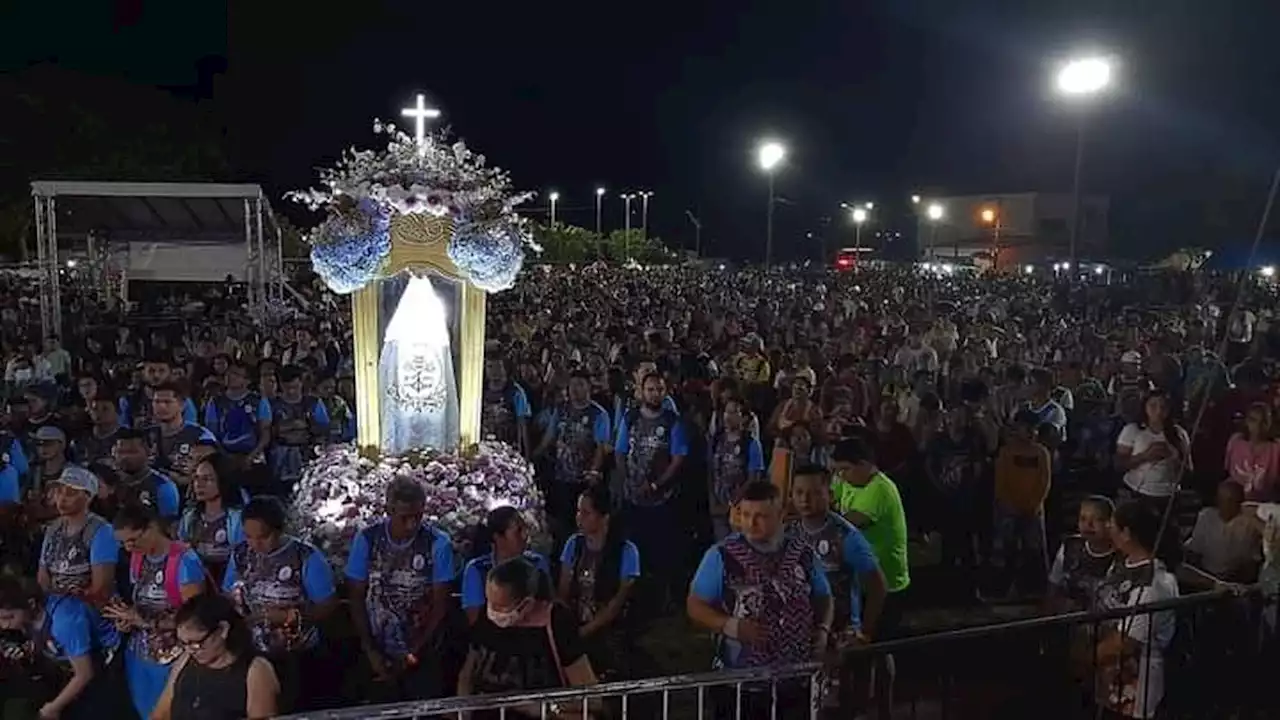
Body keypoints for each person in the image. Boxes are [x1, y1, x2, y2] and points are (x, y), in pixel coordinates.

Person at [687, 480, 832, 719]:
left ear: (781, 514)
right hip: (740, 682)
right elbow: (694, 606)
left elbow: (823, 596)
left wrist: (823, 629)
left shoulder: (802, 553)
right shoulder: (721, 556)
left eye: (761, 516)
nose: (750, 524)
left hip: (796, 679)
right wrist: (731, 626)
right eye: (745, 515)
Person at [222, 496, 337, 713]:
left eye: (263, 537)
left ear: (280, 530)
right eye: (248, 537)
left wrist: (286, 617)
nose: (255, 544)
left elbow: (328, 605)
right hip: (252, 653)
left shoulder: (305, 557)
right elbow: (228, 592)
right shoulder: (240, 554)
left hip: (298, 657)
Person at [345, 478, 456, 702]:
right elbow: (355, 597)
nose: (411, 525)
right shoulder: (367, 539)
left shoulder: (438, 543)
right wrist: (369, 649)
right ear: (389, 510)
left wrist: (413, 652)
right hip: (376, 646)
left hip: (423, 648)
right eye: (404, 517)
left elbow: (440, 604)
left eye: (417, 517)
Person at [457, 557, 599, 720]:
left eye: (501, 607)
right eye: (490, 602)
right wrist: (464, 710)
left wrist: (543, 708)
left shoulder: (557, 621)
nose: (493, 611)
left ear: (527, 604)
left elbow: (592, 698)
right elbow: (467, 673)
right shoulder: (487, 617)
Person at [830, 437, 909, 719]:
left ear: (864, 465)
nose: (840, 477)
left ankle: (883, 710)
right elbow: (832, 495)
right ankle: (860, 707)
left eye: (845, 470)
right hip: (859, 584)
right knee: (858, 651)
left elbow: (844, 524)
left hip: (887, 584)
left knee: (877, 649)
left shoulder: (880, 489)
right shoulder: (850, 480)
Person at [106, 503, 208, 719]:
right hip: (141, 656)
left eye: (133, 539)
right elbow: (141, 601)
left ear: (152, 527)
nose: (128, 547)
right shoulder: (138, 557)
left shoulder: (184, 562)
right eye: (123, 543)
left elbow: (197, 619)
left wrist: (145, 621)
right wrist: (126, 618)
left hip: (173, 658)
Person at [1091, 502, 1179, 720]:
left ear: (1126, 533)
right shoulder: (1121, 564)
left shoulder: (1154, 585)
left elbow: (1127, 642)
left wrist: (1085, 658)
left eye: (1112, 523)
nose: (1108, 527)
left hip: (1137, 683)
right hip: (1106, 678)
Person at [0, 576, 125, 720]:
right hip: (69, 662)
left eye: (8, 618)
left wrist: (54, 707)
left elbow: (85, 674)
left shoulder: (64, 621)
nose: (4, 625)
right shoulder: (27, 617)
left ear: (32, 604)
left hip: (104, 662)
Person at [556, 485, 641, 681]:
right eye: (578, 511)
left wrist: (586, 631)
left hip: (611, 630)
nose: (579, 517)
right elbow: (563, 591)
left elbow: (617, 603)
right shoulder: (573, 545)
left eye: (586, 513)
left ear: (604, 518)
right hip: (575, 624)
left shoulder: (626, 551)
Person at [150, 593, 280, 720]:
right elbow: (161, 714)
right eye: (184, 643)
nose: (191, 651)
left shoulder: (255, 670)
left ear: (223, 630)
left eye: (197, 643)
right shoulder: (186, 660)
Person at [37, 466, 118, 605]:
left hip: (85, 606)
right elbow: (43, 576)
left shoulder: (102, 531)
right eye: (59, 491)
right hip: (54, 602)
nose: (62, 498)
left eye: (71, 493)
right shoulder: (53, 528)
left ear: (88, 497)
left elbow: (101, 588)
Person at [460, 506, 552, 625]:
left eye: (525, 529)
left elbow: (547, 608)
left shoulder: (537, 563)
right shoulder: (477, 570)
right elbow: (475, 620)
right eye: (518, 531)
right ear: (498, 537)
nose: (525, 536)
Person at [176, 453, 246, 586]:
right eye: (196, 478)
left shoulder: (237, 518)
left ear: (223, 480)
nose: (199, 484)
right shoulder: (189, 517)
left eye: (207, 479)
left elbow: (241, 559)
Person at [1047, 495, 1117, 610]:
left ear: (1110, 523)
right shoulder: (1070, 545)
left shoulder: (1120, 557)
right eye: (1083, 518)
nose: (1088, 525)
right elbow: (1053, 586)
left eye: (1096, 519)